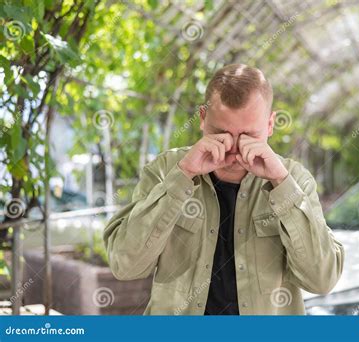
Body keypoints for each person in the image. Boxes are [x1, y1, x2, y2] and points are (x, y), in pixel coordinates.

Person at [103, 64, 345, 315]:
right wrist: (183, 175)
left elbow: (322, 280)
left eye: (249, 135)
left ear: (270, 124)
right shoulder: (165, 170)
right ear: (202, 118)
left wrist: (281, 183)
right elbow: (125, 265)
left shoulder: (294, 179)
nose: (234, 147)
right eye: (221, 133)